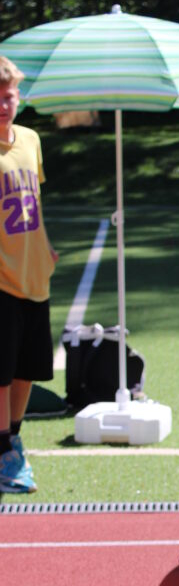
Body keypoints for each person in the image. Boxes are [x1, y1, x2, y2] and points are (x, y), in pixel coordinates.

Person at [0, 56, 59, 494]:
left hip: (35, 274)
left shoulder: (31, 140)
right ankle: (4, 449)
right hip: (2, 279)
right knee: (1, 373)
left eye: (8, 96)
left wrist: (46, 247)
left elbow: (32, 202)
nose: (4, 106)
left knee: (27, 369)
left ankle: (13, 437)